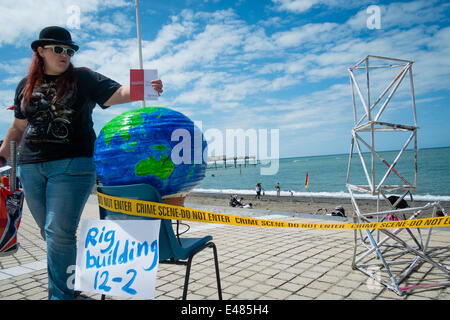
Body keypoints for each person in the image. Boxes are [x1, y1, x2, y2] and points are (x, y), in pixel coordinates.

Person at [0, 26, 163, 300]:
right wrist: (4, 151)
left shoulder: (83, 78)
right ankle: (73, 288)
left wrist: (144, 87)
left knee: (58, 231)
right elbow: (18, 126)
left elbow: (117, 92)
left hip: (73, 165)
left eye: (70, 50)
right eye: (59, 49)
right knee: (51, 234)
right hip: (30, 167)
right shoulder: (25, 85)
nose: (66, 54)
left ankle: (61, 296)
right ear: (41, 51)